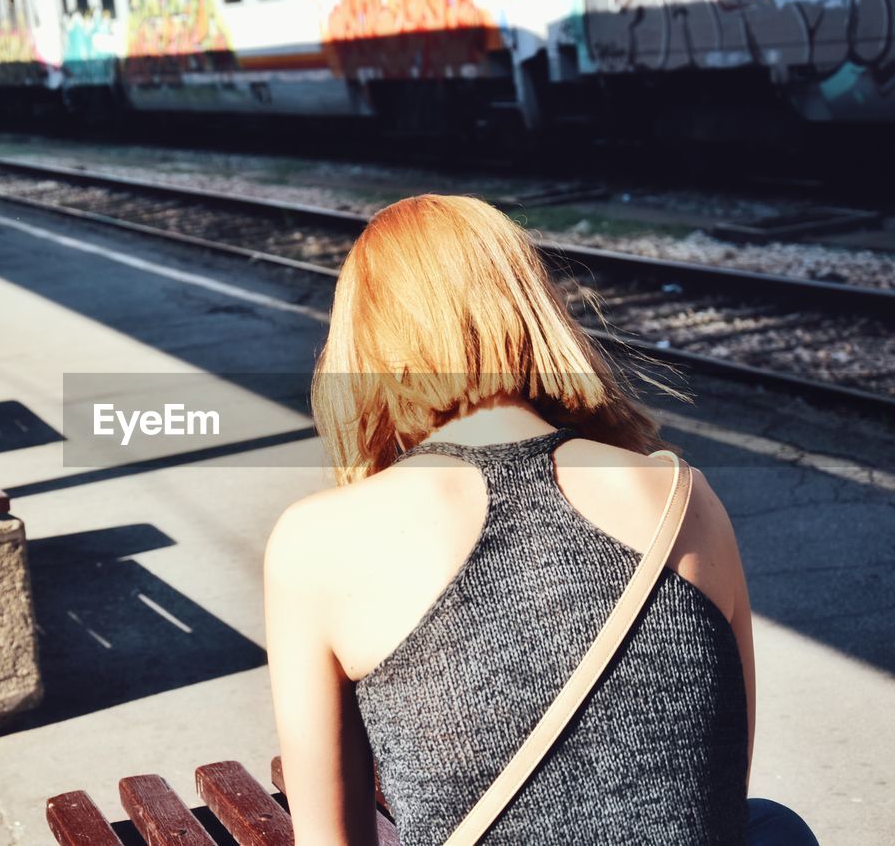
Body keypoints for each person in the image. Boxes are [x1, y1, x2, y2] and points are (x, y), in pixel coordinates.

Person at [263, 195, 818, 844]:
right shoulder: (682, 496)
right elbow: (718, 784)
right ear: (532, 308)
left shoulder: (316, 542)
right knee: (775, 825)